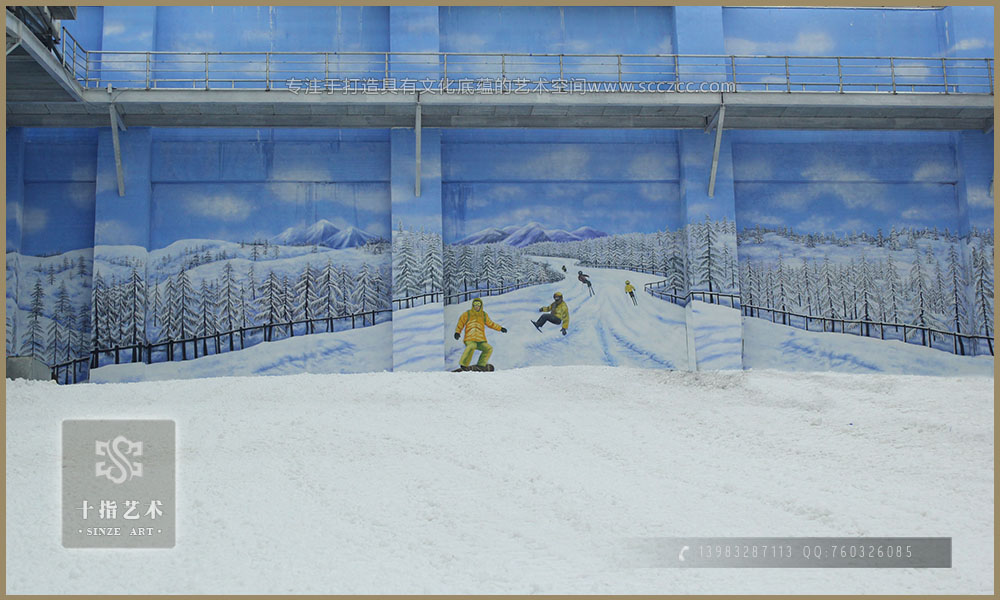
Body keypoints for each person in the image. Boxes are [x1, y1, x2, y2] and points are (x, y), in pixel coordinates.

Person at [454, 297, 506, 371]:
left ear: (481, 306)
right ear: (473, 305)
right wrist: (457, 332)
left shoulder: (484, 315)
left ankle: (481, 364)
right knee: (472, 346)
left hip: (481, 340)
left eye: (478, 305)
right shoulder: (467, 314)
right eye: (475, 305)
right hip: (470, 339)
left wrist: (500, 328)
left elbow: (491, 324)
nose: (477, 306)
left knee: (488, 348)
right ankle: (464, 364)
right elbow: (460, 323)